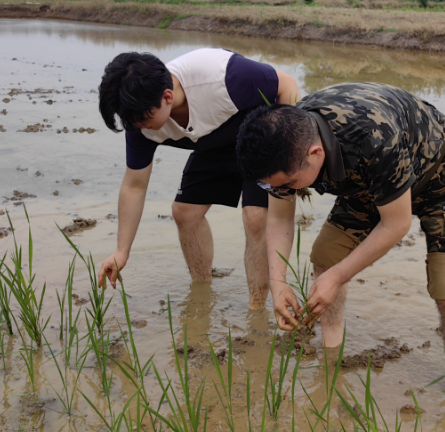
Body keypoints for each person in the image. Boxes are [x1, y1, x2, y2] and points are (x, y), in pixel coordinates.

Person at [236, 82, 445, 400]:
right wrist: (277, 281)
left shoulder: (372, 135)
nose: (288, 190)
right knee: (326, 256)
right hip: (371, 180)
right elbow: (281, 216)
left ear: (315, 153)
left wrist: (338, 277)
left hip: (442, 175)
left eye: (291, 184)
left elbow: (396, 224)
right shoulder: (286, 142)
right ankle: (330, 360)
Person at [96, 48, 300, 310]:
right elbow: (134, 185)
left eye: (141, 120)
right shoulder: (139, 120)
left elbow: (286, 84)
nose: (137, 128)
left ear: (167, 96)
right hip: (211, 141)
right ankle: (202, 295)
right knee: (184, 212)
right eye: (129, 122)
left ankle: (256, 309)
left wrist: (289, 149)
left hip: (258, 131)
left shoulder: (224, 75)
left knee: (256, 218)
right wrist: (122, 251)